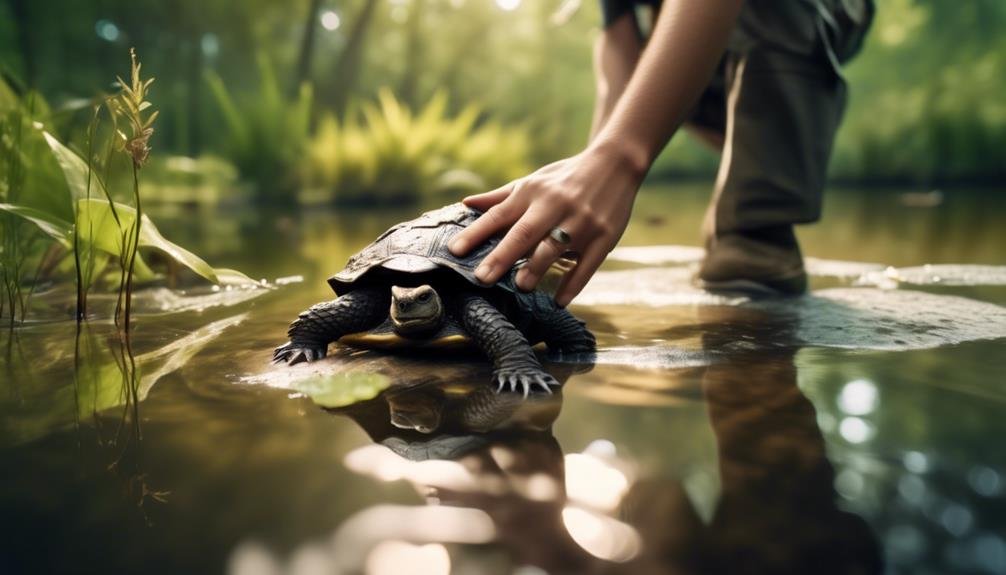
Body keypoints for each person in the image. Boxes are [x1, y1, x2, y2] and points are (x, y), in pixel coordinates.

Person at [449, 0, 873, 303]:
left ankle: (756, 229)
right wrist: (585, 191)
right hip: (702, 64)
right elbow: (619, 53)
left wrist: (622, 158)